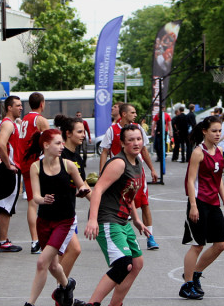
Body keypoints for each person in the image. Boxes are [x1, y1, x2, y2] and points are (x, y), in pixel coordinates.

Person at [78, 125, 150, 306]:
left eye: (138, 139)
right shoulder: (119, 163)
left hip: (123, 220)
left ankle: (116, 303)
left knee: (137, 263)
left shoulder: (137, 163)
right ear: (123, 143)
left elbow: (128, 194)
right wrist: (92, 219)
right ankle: (92, 304)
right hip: (108, 219)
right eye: (131, 140)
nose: (136, 143)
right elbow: (98, 189)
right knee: (123, 264)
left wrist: (137, 220)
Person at [24, 129, 89, 306]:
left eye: (62, 143)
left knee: (41, 262)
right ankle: (67, 285)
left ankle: (30, 303)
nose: (62, 146)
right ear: (46, 145)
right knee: (53, 266)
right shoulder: (36, 167)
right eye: (58, 143)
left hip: (64, 221)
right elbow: (36, 196)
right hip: (44, 220)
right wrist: (43, 199)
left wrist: (83, 191)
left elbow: (82, 186)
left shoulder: (68, 165)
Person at [180, 116, 224, 300]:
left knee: (221, 244)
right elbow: (190, 181)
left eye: (219, 131)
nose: (217, 134)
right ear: (204, 131)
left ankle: (196, 273)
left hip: (213, 203)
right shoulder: (198, 152)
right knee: (198, 245)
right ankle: (187, 285)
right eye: (214, 131)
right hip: (199, 202)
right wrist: (193, 206)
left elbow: (218, 179)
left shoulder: (219, 150)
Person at [99, 103, 159, 250]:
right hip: (120, 174)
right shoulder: (112, 130)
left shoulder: (138, 129)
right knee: (121, 205)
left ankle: (150, 237)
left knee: (144, 203)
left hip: (137, 171)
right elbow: (105, 152)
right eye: (132, 112)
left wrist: (152, 169)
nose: (135, 115)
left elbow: (144, 150)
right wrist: (102, 172)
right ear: (124, 114)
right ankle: (121, 234)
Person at [54, 115, 91, 279]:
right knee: (74, 249)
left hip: (69, 211)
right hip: (57, 212)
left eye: (83, 132)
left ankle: (61, 290)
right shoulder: (59, 155)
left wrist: (99, 203)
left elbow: (83, 184)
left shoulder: (77, 158)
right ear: (68, 133)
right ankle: (62, 289)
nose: (83, 135)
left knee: (65, 253)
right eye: (79, 132)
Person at [20, 93, 51, 255]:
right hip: (36, 164)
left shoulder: (24, 119)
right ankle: (38, 240)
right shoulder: (40, 120)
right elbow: (51, 142)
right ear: (42, 104)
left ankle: (35, 240)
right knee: (39, 202)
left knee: (32, 202)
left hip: (25, 162)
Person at [0, 95, 24, 252]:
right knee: (5, 206)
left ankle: (4, 240)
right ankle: (3, 242)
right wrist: (8, 164)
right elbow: (0, 145)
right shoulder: (7, 124)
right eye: (18, 105)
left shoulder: (12, 124)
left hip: (12, 168)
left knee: (7, 206)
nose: (21, 108)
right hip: (9, 169)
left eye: (21, 105)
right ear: (9, 108)